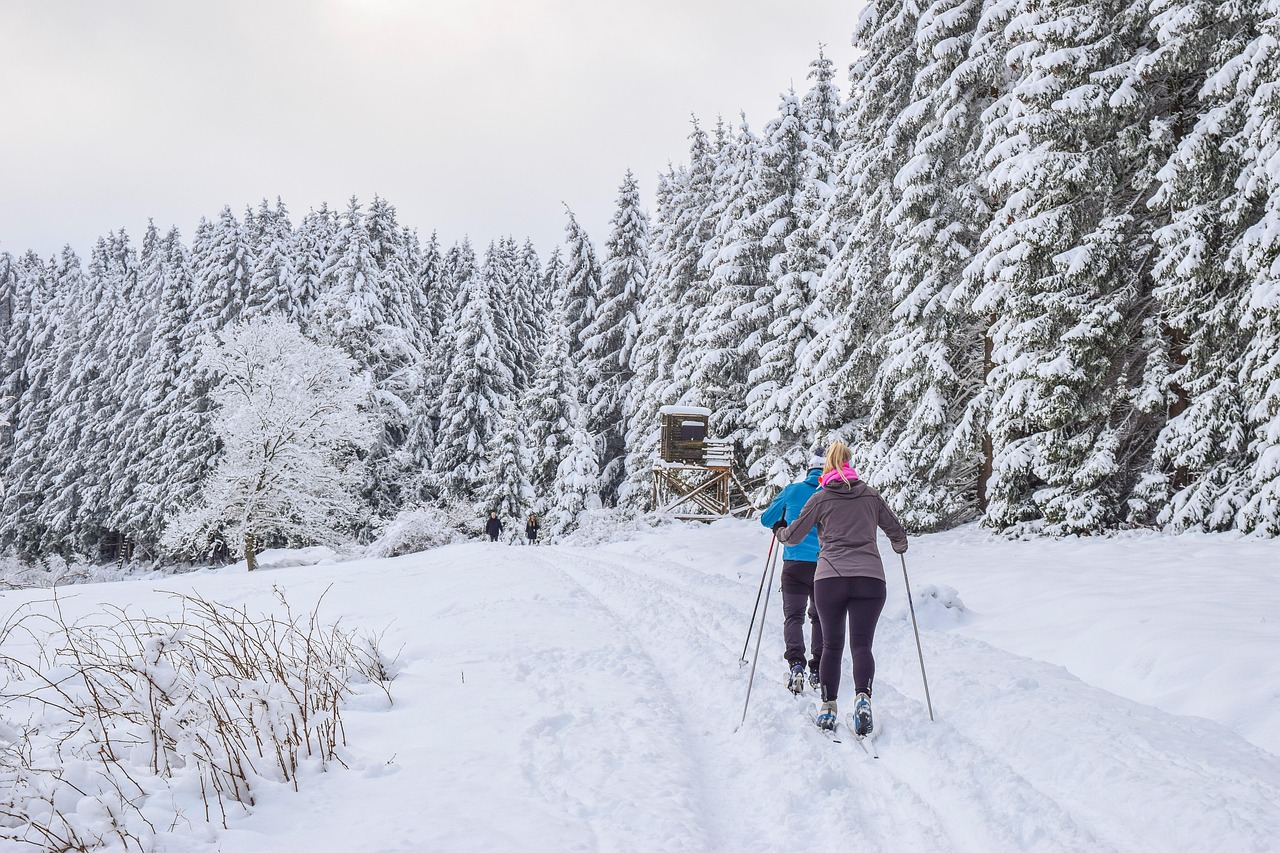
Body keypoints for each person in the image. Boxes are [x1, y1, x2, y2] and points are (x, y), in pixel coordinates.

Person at [774, 440, 907, 736]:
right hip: (871, 579)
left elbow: (794, 535)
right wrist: (899, 545)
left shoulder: (821, 498)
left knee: (833, 646)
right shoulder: (871, 496)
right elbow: (897, 533)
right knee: (862, 646)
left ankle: (828, 708)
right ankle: (862, 698)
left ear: (828, 467)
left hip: (830, 579)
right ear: (849, 463)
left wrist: (780, 533)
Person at [759, 447, 826, 694]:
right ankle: (817, 668)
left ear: (808, 470)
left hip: (794, 564)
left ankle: (796, 664)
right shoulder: (830, 493)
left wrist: (782, 522)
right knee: (819, 617)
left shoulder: (793, 490)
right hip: (824, 565)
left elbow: (767, 519)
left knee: (794, 617)